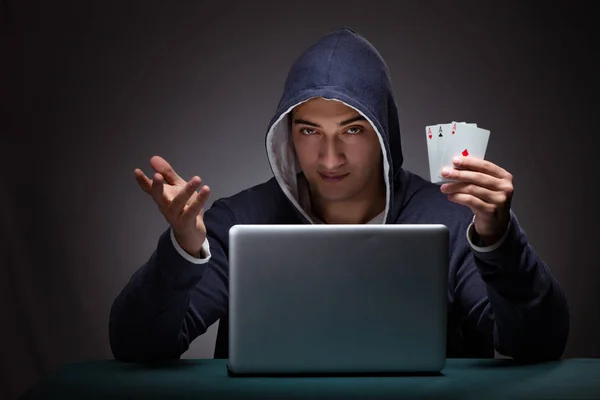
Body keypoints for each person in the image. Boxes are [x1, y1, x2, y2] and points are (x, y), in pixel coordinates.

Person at [109, 28, 569, 363]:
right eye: (309, 130)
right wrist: (183, 250)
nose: (329, 158)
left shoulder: (452, 218)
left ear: (384, 132)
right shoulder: (238, 221)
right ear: (287, 135)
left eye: (353, 129)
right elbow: (136, 346)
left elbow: (536, 344)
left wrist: (497, 238)